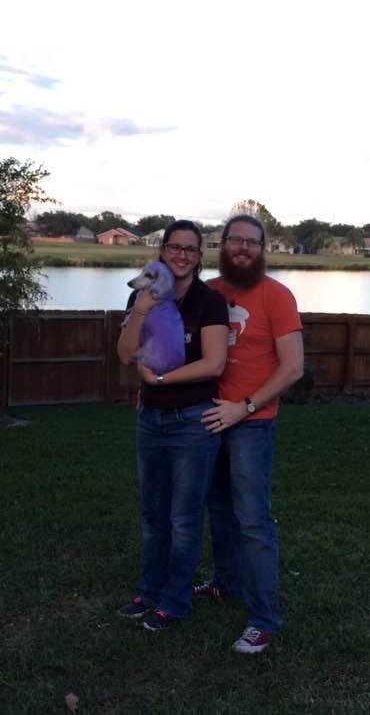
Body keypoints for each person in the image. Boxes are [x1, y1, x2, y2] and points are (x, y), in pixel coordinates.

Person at [116, 220, 229, 631]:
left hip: (193, 421)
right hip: (151, 419)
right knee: (153, 514)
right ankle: (148, 592)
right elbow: (125, 354)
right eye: (174, 247)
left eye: (190, 249)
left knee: (183, 519)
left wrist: (161, 379)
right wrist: (141, 308)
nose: (181, 255)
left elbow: (214, 364)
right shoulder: (144, 293)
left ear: (199, 257)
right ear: (163, 250)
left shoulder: (209, 301)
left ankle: (175, 601)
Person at [200, 214, 304, 654]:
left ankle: (264, 619)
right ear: (222, 244)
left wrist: (242, 407)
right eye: (236, 240)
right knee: (219, 510)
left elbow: (293, 368)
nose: (243, 247)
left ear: (263, 249)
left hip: (251, 423)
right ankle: (225, 582)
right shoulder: (208, 292)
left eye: (252, 242)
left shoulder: (277, 296)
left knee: (253, 520)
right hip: (208, 418)